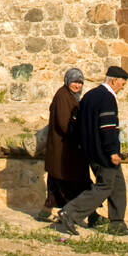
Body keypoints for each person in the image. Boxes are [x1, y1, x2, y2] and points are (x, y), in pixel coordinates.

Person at [56, 65, 128, 238]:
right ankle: (69, 213)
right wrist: (112, 152)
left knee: (118, 185)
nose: (122, 87)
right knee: (105, 185)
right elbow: (107, 127)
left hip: (91, 151)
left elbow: (76, 124)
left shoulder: (90, 95)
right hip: (103, 153)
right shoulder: (107, 98)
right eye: (122, 83)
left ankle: (117, 223)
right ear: (114, 80)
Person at [41, 67, 95, 222]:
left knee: (61, 185)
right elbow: (64, 124)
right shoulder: (63, 96)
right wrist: (80, 134)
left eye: (80, 82)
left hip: (65, 150)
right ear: (67, 81)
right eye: (74, 82)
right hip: (63, 150)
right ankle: (86, 215)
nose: (77, 85)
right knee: (70, 184)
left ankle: (50, 212)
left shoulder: (70, 96)